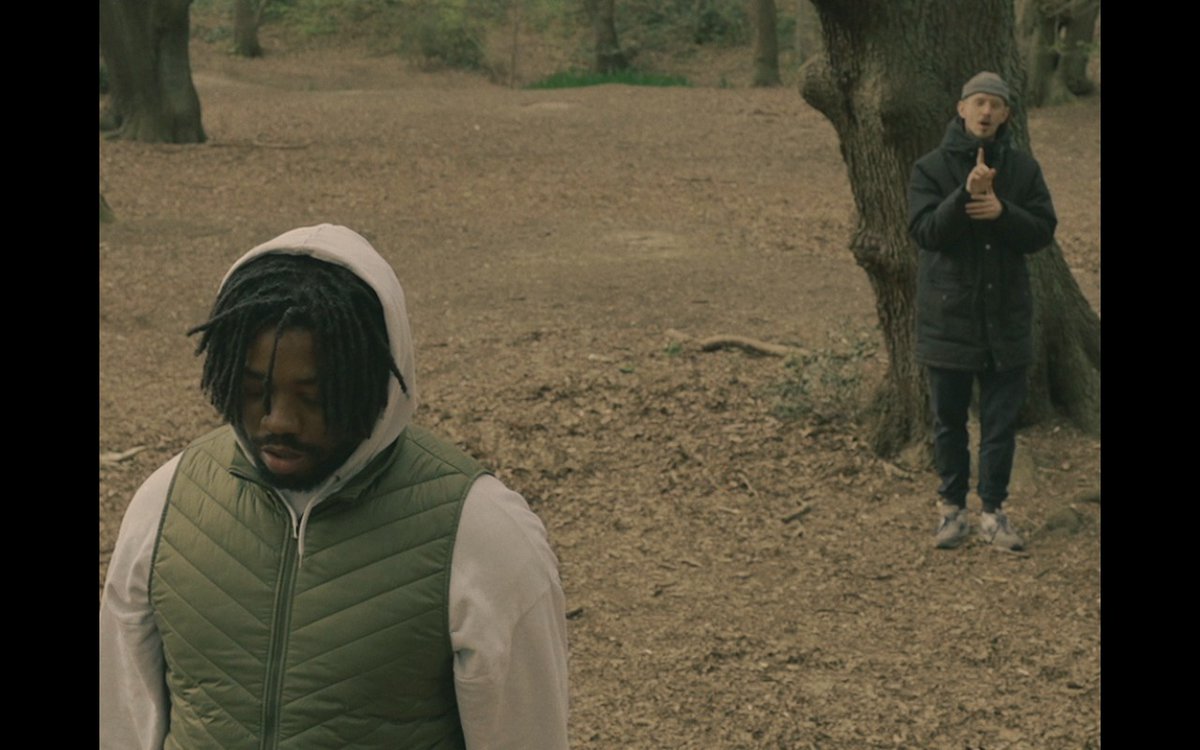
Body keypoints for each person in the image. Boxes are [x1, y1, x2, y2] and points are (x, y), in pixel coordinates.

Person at [100, 224, 570, 749]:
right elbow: (122, 720)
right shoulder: (167, 504)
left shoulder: (481, 533)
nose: (278, 420)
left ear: (376, 385)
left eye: (315, 396)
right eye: (256, 389)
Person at [907, 72, 1057, 552]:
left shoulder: (1024, 169)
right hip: (948, 318)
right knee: (948, 422)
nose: (986, 112)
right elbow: (925, 232)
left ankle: (993, 512)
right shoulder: (930, 168)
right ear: (962, 109)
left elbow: (1043, 230)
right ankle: (951, 511)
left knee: (999, 424)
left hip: (1006, 317)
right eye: (978, 103)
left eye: (995, 104)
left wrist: (1002, 212)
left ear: (1006, 114)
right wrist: (965, 195)